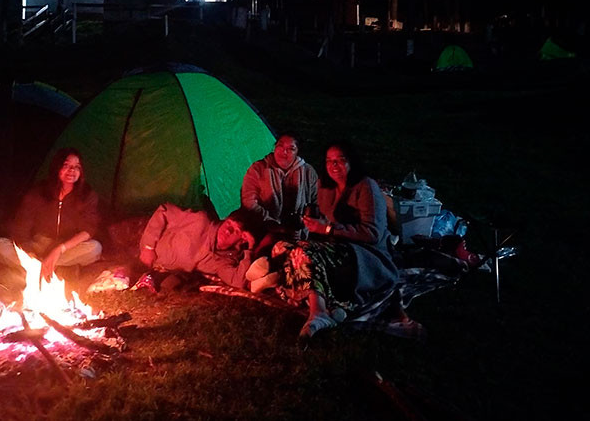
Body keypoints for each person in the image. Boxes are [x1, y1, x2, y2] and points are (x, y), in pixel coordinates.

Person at [255, 141, 399, 338]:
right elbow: (323, 228)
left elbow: (372, 234)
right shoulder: (326, 187)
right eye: (329, 161)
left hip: (363, 255)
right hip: (333, 248)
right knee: (281, 248)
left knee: (302, 254)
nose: (334, 166)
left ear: (351, 162)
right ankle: (335, 306)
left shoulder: (366, 187)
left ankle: (316, 309)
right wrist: (313, 225)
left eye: (340, 161)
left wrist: (329, 229)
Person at [0, 148, 102, 283]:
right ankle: (45, 267)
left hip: (67, 247)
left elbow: (89, 230)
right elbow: (21, 228)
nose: (72, 171)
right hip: (38, 244)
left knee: (95, 248)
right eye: (66, 166)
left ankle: (37, 268)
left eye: (76, 167)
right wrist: (30, 254)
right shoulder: (39, 193)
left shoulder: (87, 195)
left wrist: (59, 250)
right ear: (57, 168)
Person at [137, 203, 259, 289]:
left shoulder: (222, 259)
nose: (227, 231)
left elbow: (237, 282)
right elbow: (164, 210)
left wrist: (250, 249)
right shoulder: (200, 221)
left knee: (172, 284)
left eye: (235, 231)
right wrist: (148, 247)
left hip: (158, 267)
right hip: (141, 238)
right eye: (228, 224)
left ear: (243, 239)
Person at [241, 132, 318, 253]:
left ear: (297, 152)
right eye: (280, 146)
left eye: (291, 149)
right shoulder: (258, 169)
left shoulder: (308, 172)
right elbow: (248, 201)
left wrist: (306, 219)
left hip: (298, 233)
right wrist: (272, 224)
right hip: (265, 230)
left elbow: (314, 201)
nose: (284, 152)